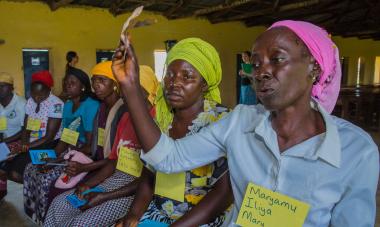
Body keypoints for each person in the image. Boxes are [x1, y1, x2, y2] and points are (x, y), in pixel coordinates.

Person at [112, 20, 379, 227]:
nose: (262, 71)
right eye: (256, 62)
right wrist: (130, 87)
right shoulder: (239, 122)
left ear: (314, 67)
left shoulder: (355, 151)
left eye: (277, 59)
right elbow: (168, 158)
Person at [117, 38, 233, 227]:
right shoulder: (162, 120)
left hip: (202, 220)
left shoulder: (222, 121)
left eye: (187, 76)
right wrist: (134, 214)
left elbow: (224, 193)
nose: (174, 83)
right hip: (159, 214)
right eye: (170, 75)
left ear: (204, 84)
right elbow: (149, 175)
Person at [44, 65, 158, 227]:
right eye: (124, 88)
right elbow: (113, 161)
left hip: (135, 190)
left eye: (132, 89)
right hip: (115, 179)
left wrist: (105, 196)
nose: (125, 93)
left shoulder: (157, 122)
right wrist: (89, 185)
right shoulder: (126, 118)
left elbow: (148, 181)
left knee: (80, 223)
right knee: (60, 204)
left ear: (148, 93)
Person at [23, 67, 100, 225]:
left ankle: (50, 219)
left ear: (83, 86)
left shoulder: (90, 105)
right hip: (68, 151)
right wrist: (52, 159)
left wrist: (60, 159)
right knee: (32, 167)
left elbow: (90, 147)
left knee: (46, 180)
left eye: (72, 83)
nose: (67, 86)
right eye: (66, 83)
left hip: (84, 155)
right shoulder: (68, 105)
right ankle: (38, 216)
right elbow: (64, 139)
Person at [0, 70, 63, 185]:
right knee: (7, 166)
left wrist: (25, 147)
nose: (36, 98)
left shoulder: (56, 104)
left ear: (49, 90)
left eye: (40, 95)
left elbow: (49, 137)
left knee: (16, 172)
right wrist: (23, 144)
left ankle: (33, 189)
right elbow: (25, 128)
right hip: (31, 143)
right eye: (33, 93)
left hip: (49, 146)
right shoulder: (30, 102)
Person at [0, 72, 26, 199]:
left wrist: (4, 141)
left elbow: (24, 131)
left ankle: (2, 186)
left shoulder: (21, 104)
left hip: (18, 141)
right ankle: (2, 187)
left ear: (11, 88)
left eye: (2, 86)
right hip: (2, 141)